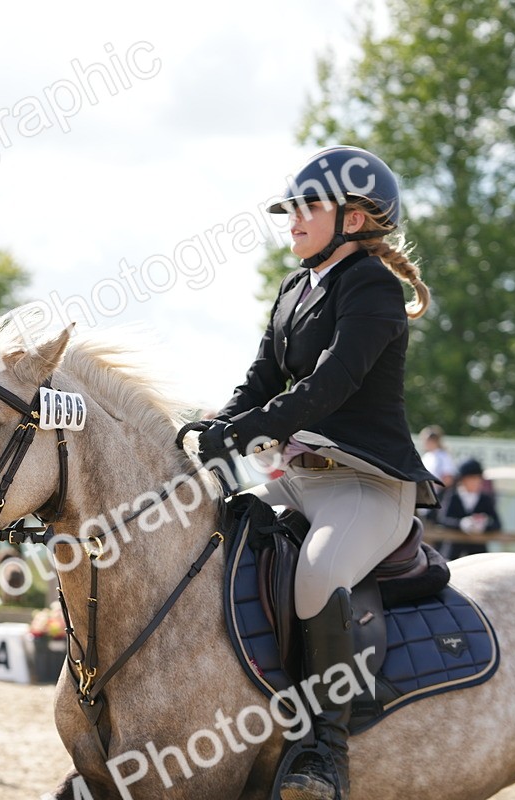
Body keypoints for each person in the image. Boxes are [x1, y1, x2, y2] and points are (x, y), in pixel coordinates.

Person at [196, 146, 440, 800]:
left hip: (366, 484)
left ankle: (323, 750)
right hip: (298, 478)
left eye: (309, 207)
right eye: (292, 209)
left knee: (319, 574)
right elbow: (261, 381)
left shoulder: (372, 287)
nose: (294, 219)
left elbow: (332, 384)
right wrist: (214, 427)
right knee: (208, 537)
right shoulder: (294, 288)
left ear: (354, 219)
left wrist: (245, 432)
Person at [436, 458, 501, 560]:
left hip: (477, 552)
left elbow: (497, 524)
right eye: (472, 479)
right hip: (453, 549)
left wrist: (484, 525)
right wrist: (461, 524)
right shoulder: (453, 496)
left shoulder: (485, 499)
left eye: (478, 479)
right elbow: (442, 519)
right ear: (463, 480)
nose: (477, 482)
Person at [419, 425, 457, 490]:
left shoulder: (443, 456)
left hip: (438, 492)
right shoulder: (426, 456)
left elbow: (448, 478)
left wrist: (435, 486)